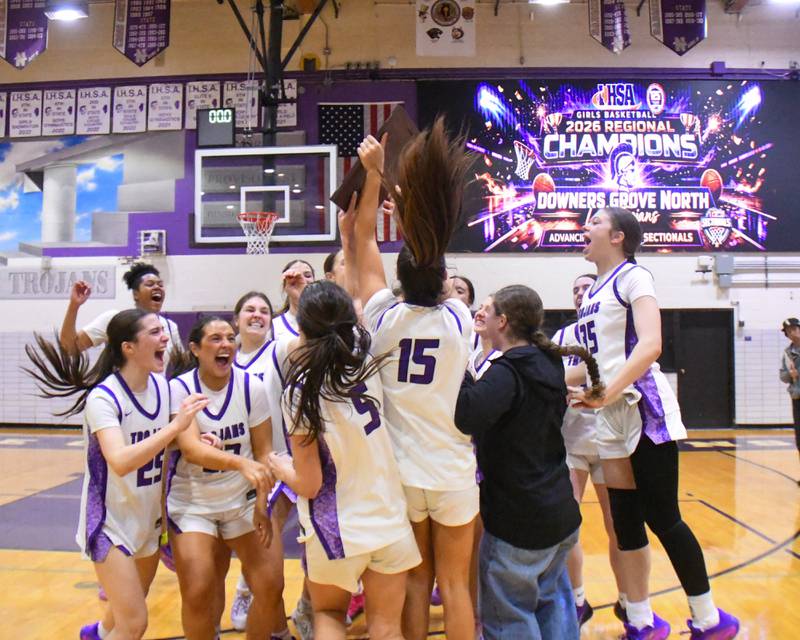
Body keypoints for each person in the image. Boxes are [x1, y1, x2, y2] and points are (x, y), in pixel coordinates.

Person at [569, 207, 739, 640]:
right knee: (625, 522)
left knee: (663, 518)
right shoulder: (592, 296)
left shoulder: (634, 276)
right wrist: (539, 379)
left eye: (594, 222)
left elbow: (650, 345)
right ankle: (642, 621)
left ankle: (708, 618)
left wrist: (605, 390)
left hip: (642, 408)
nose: (585, 228)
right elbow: (589, 365)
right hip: (608, 414)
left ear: (619, 236)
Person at [346, 120, 478, 640]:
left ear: (399, 279)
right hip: (451, 470)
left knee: (417, 582)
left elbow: (361, 237)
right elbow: (431, 270)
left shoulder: (381, 316)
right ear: (445, 280)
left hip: (401, 473)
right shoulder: (460, 319)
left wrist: (375, 174)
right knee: (457, 584)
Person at [24, 308, 208, 640]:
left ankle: (95, 635)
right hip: (109, 523)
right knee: (135, 623)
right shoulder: (103, 398)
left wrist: (193, 440)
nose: (165, 337)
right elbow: (121, 460)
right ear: (129, 347)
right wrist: (175, 429)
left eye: (163, 330)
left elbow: (167, 444)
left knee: (121, 616)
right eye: (154, 332)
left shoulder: (163, 388)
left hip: (148, 520)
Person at [267, 280, 421, 640]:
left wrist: (277, 466)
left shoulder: (300, 391)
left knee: (329, 614)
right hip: (387, 518)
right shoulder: (367, 362)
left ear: (301, 327)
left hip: (336, 529)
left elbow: (308, 483)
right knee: (386, 627)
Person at [454, 285, 597, 640]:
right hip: (558, 510)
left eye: (489, 309)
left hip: (520, 519)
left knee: (510, 615)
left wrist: (452, 370)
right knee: (552, 603)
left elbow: (467, 414)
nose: (481, 313)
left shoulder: (508, 371)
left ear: (502, 321)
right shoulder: (546, 361)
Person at [167, 316, 283, 640]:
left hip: (242, 500)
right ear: (195, 348)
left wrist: (263, 501)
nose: (226, 345)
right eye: (216, 339)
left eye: (230, 338)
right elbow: (191, 449)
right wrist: (239, 464)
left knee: (271, 585)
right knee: (198, 589)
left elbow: (263, 455)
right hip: (193, 502)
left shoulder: (251, 387)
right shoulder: (180, 388)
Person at [552, 273, 629, 627]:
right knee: (567, 526)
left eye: (587, 287)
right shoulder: (562, 338)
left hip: (611, 437)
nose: (581, 293)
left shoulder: (616, 333)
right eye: (575, 289)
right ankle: (578, 601)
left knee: (619, 528)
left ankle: (629, 600)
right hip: (571, 441)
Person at [228, 292, 295, 639]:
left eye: (264, 310)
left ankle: (252, 598)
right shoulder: (225, 361)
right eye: (249, 309)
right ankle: (275, 623)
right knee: (260, 551)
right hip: (234, 472)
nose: (257, 315)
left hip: (277, 469)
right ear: (236, 318)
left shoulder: (279, 350)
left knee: (267, 548)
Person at [60, 263, 180, 364]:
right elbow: (69, 348)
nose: (157, 287)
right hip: (121, 390)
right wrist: (74, 305)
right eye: (149, 284)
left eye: (160, 284)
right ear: (135, 294)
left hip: (153, 391)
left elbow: (183, 365)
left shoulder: (170, 327)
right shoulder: (114, 319)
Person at [779, 317, 800, 485]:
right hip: (797, 397)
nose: (792, 333)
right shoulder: (787, 353)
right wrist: (790, 376)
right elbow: (783, 375)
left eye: (794, 329)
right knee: (799, 438)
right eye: (788, 331)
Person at [273, 260, 315, 340]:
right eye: (294, 276)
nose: (301, 280)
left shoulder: (324, 321)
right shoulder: (274, 326)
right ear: (285, 287)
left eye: (307, 275)